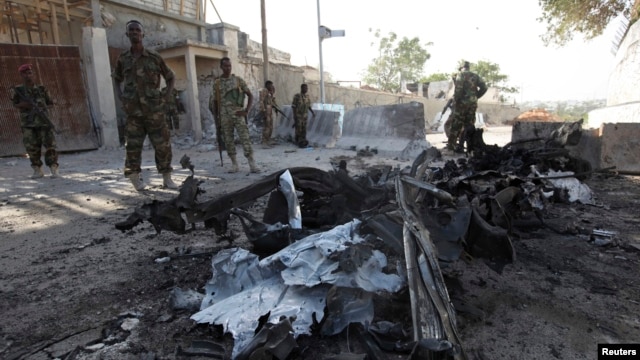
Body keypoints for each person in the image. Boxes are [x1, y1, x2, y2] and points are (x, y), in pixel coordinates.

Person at [112, 20, 178, 191]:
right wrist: (121, 97)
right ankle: (134, 178)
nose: (135, 33)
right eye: (131, 31)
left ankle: (166, 177)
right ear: (127, 35)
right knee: (133, 146)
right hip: (134, 112)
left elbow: (170, 77)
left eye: (137, 30)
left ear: (143, 34)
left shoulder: (154, 57)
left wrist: (165, 97)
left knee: (162, 144)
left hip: (154, 110)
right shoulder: (123, 59)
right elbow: (116, 78)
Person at [210, 57, 260, 173]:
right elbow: (215, 102)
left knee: (245, 138)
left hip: (238, 114)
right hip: (224, 117)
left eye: (229, 66)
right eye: (225, 66)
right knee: (228, 140)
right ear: (221, 67)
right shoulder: (217, 83)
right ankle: (234, 164)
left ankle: (252, 163)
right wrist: (217, 120)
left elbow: (250, 95)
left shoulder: (238, 80)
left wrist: (246, 110)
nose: (228, 68)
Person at [10, 63, 60, 179]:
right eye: (25, 73)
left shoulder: (42, 89)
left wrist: (42, 108)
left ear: (33, 74)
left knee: (50, 145)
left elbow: (51, 104)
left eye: (30, 73)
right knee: (31, 147)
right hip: (28, 124)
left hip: (43, 122)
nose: (28, 75)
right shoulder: (18, 90)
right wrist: (24, 105)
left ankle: (53, 168)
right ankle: (37, 170)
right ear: (21, 75)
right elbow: (15, 104)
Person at [447, 61, 487, 152]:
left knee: (456, 125)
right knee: (469, 125)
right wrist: (475, 97)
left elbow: (458, 89)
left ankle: (451, 148)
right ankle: (469, 147)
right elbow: (484, 87)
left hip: (461, 104)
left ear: (461, 68)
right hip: (472, 104)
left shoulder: (460, 75)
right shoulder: (475, 76)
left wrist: (457, 100)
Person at [291, 83, 315, 148]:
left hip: (305, 116)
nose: (306, 89)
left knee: (304, 129)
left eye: (307, 88)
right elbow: (294, 106)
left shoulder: (307, 97)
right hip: (298, 115)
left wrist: (312, 112)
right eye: (305, 88)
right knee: (298, 129)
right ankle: (297, 141)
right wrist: (294, 116)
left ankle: (303, 141)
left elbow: (308, 106)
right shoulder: (297, 96)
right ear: (301, 88)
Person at [258, 80, 277, 148]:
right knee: (267, 127)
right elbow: (261, 101)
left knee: (270, 127)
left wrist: (272, 93)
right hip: (266, 111)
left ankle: (268, 140)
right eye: (271, 85)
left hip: (270, 112)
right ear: (267, 85)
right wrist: (263, 111)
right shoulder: (264, 91)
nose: (272, 86)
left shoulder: (269, 93)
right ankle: (264, 142)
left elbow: (271, 102)